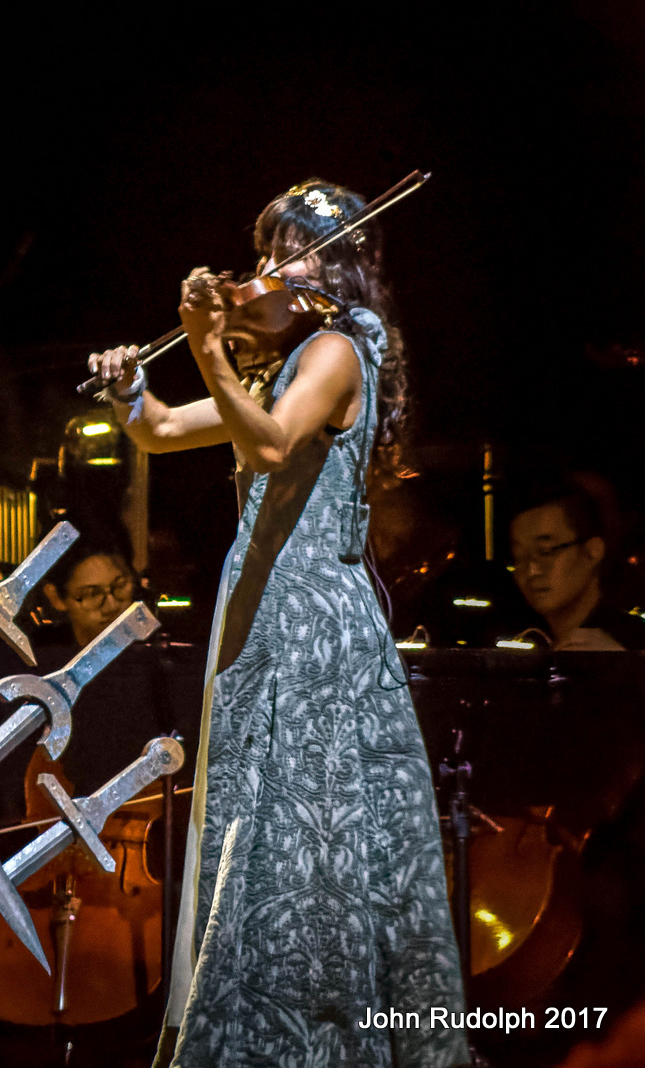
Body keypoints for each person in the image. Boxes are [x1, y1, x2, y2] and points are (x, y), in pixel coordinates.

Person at [88, 179, 467, 1066]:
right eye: (263, 252)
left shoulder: (337, 348)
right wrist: (132, 391)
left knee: (304, 826)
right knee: (260, 823)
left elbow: (266, 444)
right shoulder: (283, 365)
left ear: (335, 267)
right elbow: (161, 430)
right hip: (265, 610)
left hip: (309, 624)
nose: (265, 271)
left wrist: (207, 346)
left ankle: (312, 1038)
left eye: (288, 252)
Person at [508, 476, 645, 651]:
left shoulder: (629, 646)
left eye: (546, 551)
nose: (532, 570)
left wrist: (620, 663)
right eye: (519, 557)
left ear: (592, 551)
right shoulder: (523, 639)